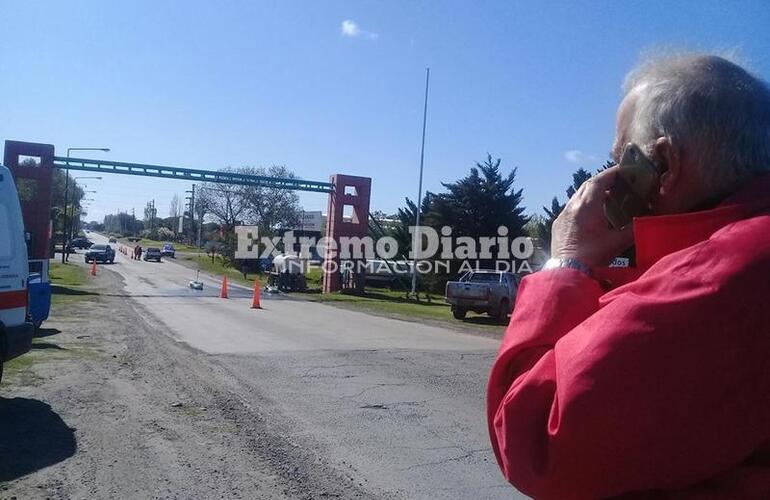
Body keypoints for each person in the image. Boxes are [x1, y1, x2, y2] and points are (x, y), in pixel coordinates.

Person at [487, 54, 770, 499]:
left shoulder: (719, 275)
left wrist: (566, 262)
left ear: (664, 164)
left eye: (622, 159)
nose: (610, 179)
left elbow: (533, 436)